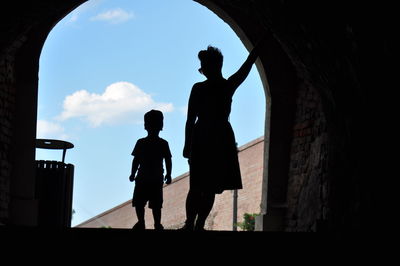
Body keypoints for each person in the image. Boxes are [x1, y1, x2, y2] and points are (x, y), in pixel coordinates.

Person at [181, 43, 262, 231]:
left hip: (202, 136)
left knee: (197, 184)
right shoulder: (227, 86)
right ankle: (198, 224)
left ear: (211, 66)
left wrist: (187, 145)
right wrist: (258, 47)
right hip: (220, 136)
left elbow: (190, 120)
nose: (202, 70)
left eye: (203, 65)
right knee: (209, 186)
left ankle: (190, 224)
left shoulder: (198, 88)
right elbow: (247, 66)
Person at [129, 109, 172, 231]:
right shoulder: (162, 143)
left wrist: (133, 173)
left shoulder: (142, 143)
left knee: (145, 202)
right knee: (152, 203)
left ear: (145, 125)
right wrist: (168, 174)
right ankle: (153, 223)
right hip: (153, 177)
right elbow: (168, 160)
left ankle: (146, 223)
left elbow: (136, 160)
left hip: (146, 176)